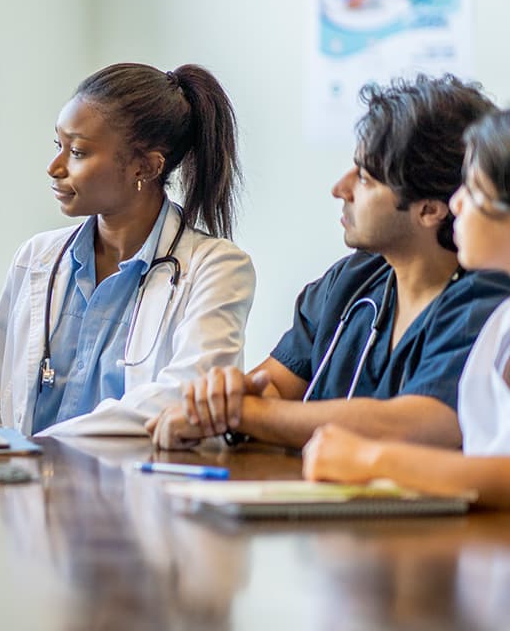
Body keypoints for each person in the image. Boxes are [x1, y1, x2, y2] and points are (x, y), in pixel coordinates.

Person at [151, 74, 510, 451]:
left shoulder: (486, 298)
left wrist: (243, 414)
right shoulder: (354, 277)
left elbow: (422, 422)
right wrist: (226, 399)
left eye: (367, 178)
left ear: (430, 209)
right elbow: (274, 385)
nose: (340, 188)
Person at [0, 63, 255, 436]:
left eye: (77, 152)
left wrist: (37, 448)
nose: (54, 167)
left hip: (138, 490)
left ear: (145, 166)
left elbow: (185, 399)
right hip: (27, 490)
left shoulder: (217, 269)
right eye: (58, 146)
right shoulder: (36, 259)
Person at [304, 109, 510, 507]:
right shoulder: (502, 322)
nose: (456, 204)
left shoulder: (480, 307)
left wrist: (371, 458)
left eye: (475, 192)